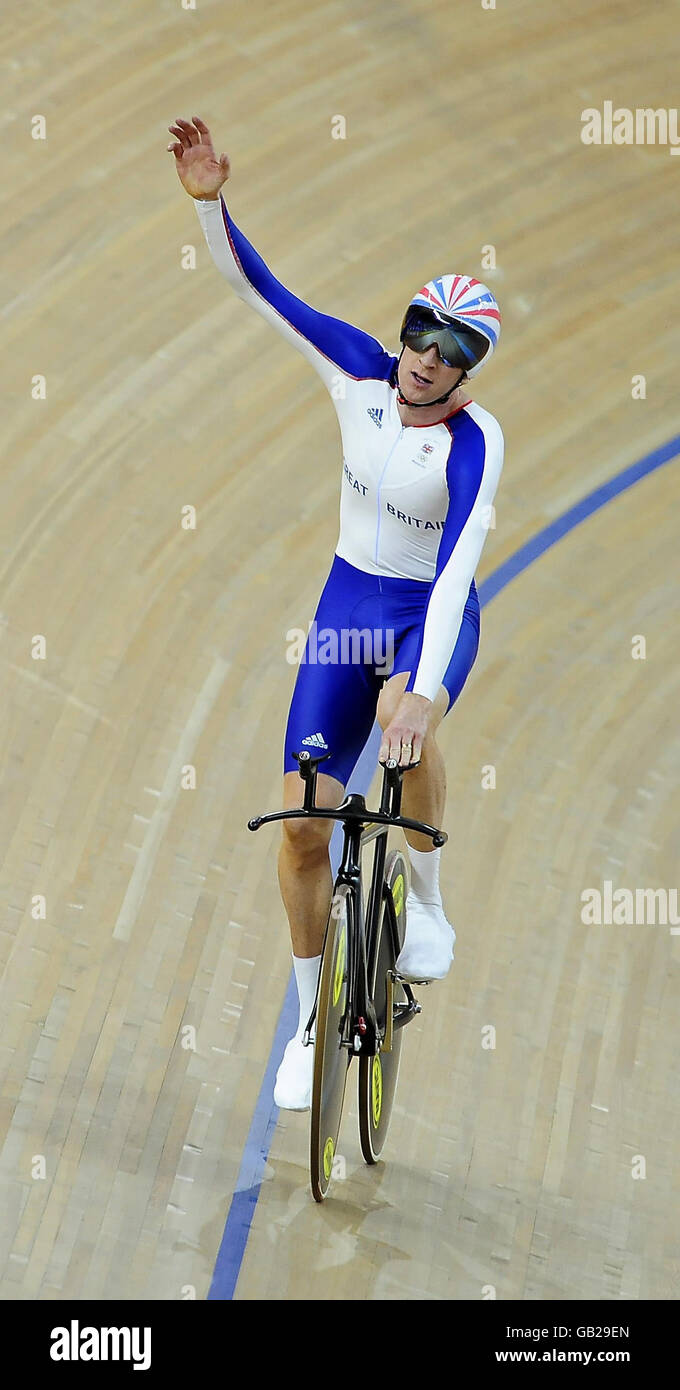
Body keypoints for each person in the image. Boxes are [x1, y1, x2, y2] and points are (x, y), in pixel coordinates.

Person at [168, 116, 504, 1110]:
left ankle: (429, 903)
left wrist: (426, 692)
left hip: (419, 617)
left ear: (468, 367)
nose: (426, 358)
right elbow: (260, 292)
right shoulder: (354, 368)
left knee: (408, 722)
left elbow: (449, 581)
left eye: (451, 350)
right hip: (346, 605)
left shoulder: (475, 445)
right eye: (418, 333)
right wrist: (211, 206)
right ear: (399, 333)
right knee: (303, 829)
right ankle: (312, 1013)